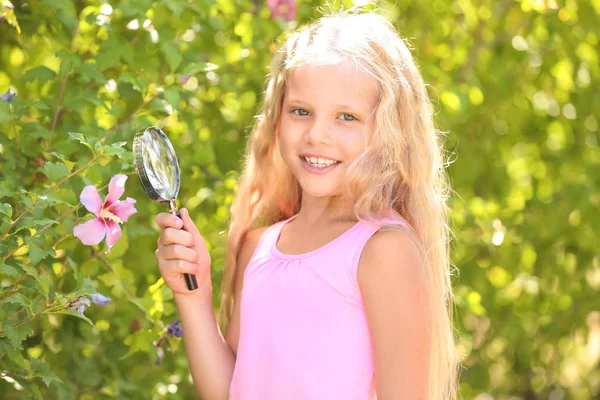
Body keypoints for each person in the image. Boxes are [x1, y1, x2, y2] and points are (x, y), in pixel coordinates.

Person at [155, 7, 461, 400]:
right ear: (276, 119)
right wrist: (192, 296)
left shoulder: (383, 251)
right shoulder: (258, 247)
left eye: (346, 117)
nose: (318, 134)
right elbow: (228, 391)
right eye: (301, 111)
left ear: (388, 130)